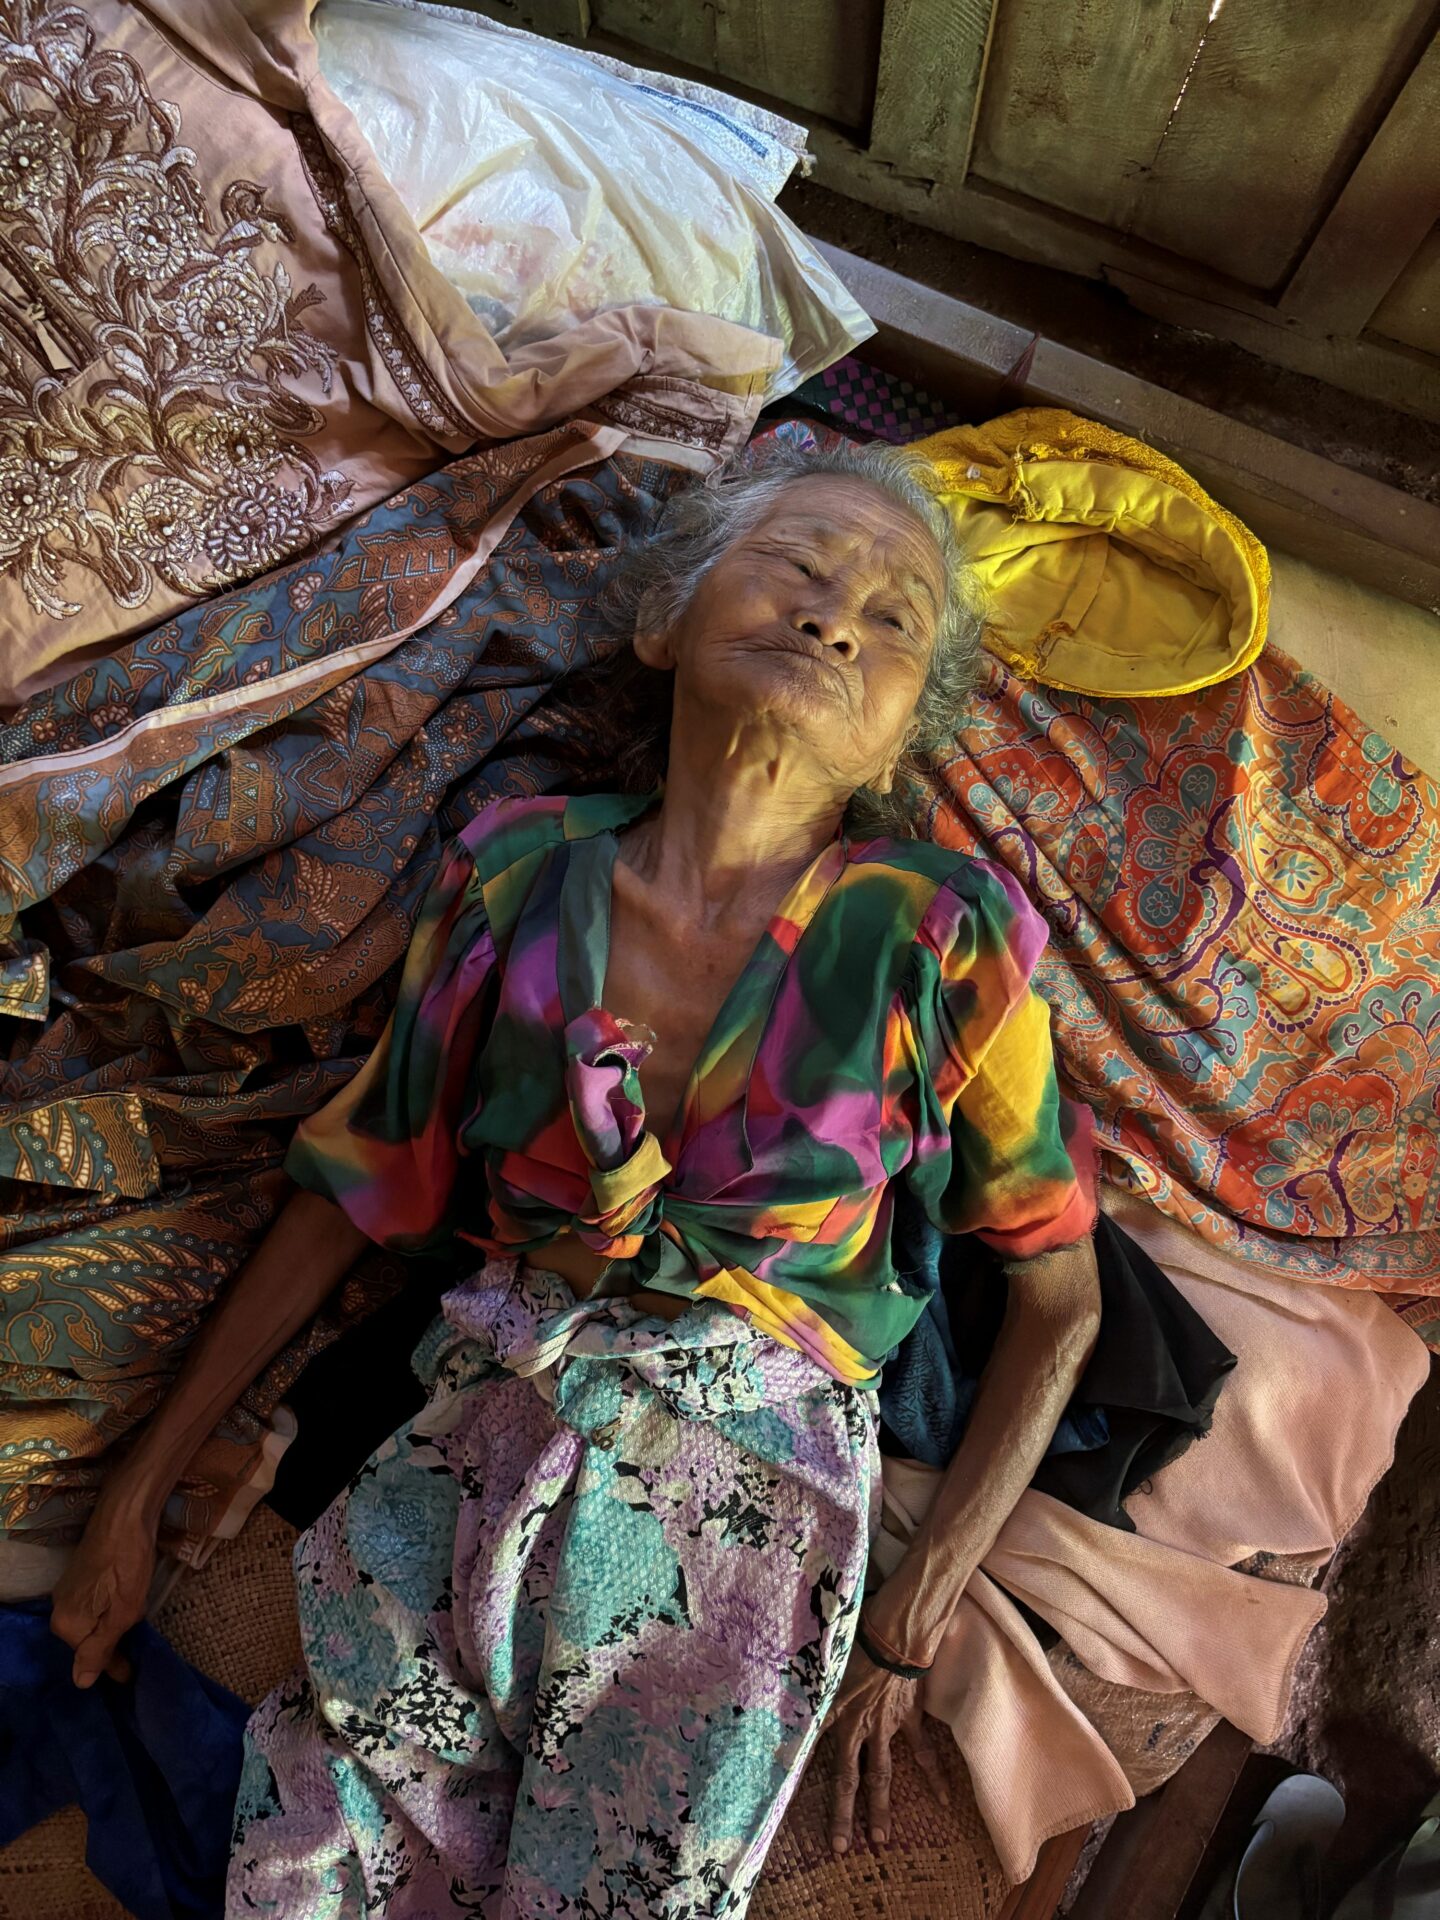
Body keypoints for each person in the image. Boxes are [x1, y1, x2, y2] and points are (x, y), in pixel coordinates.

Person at [50, 440, 1103, 1918]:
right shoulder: (519, 878)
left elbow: (1062, 1296)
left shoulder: (941, 939)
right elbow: (358, 1185)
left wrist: (910, 1619)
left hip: (741, 1493)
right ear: (665, 619)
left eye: (891, 620)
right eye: (798, 567)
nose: (834, 620)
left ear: (890, 748)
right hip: (475, 1436)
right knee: (304, 1875)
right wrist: (137, 1487)